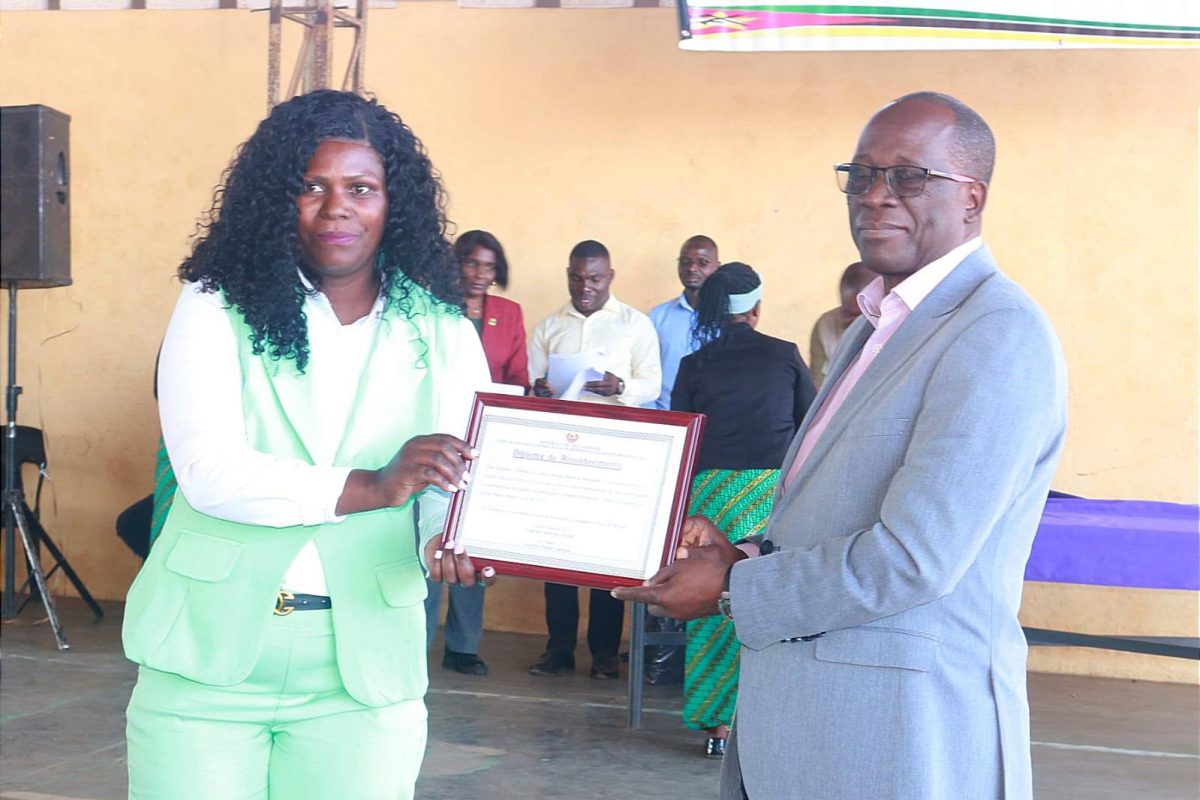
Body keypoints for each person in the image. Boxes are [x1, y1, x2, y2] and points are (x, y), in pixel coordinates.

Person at [615, 91, 1067, 800]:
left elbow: (914, 558)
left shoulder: (997, 333)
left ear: (972, 197)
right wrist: (744, 555)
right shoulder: (875, 326)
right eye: (861, 175)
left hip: (898, 736)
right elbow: (834, 510)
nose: (876, 195)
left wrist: (732, 587)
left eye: (909, 176)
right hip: (808, 725)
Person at [122, 90, 494, 800]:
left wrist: (451, 540)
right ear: (275, 198)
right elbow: (208, 471)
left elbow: (460, 474)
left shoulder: (441, 327)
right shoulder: (214, 303)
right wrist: (373, 486)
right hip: (204, 659)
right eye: (311, 187)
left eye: (361, 189)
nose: (336, 209)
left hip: (364, 669)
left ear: (394, 203)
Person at [670, 262, 815, 758]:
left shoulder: (695, 364)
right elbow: (810, 430)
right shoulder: (784, 355)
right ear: (756, 307)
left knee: (711, 601)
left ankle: (716, 726)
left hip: (708, 501)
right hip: (768, 498)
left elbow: (681, 437)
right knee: (765, 600)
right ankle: (760, 719)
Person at [527, 239, 661, 679]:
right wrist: (539, 390)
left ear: (610, 277)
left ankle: (604, 653)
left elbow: (653, 384)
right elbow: (533, 385)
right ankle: (559, 650)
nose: (585, 287)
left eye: (595, 279)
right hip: (561, 454)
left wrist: (620, 387)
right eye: (577, 278)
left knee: (606, 555)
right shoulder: (548, 327)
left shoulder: (635, 325)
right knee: (556, 552)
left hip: (613, 454)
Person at [425, 229, 528, 677]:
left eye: (488, 266)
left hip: (487, 444)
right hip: (435, 436)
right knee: (428, 536)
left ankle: (463, 647)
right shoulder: (433, 309)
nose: (479, 274)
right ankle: (418, 640)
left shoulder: (509, 313)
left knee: (472, 542)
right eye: (471, 263)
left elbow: (519, 378)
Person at [648, 235, 721, 409]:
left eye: (702, 262)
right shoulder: (658, 316)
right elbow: (645, 370)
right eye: (685, 262)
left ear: (717, 268)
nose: (692, 268)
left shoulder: (726, 319)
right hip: (665, 415)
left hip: (713, 418)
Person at [808, 261, 875, 386]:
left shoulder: (898, 326)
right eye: (847, 313)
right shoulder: (825, 325)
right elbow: (817, 384)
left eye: (861, 316)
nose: (853, 323)